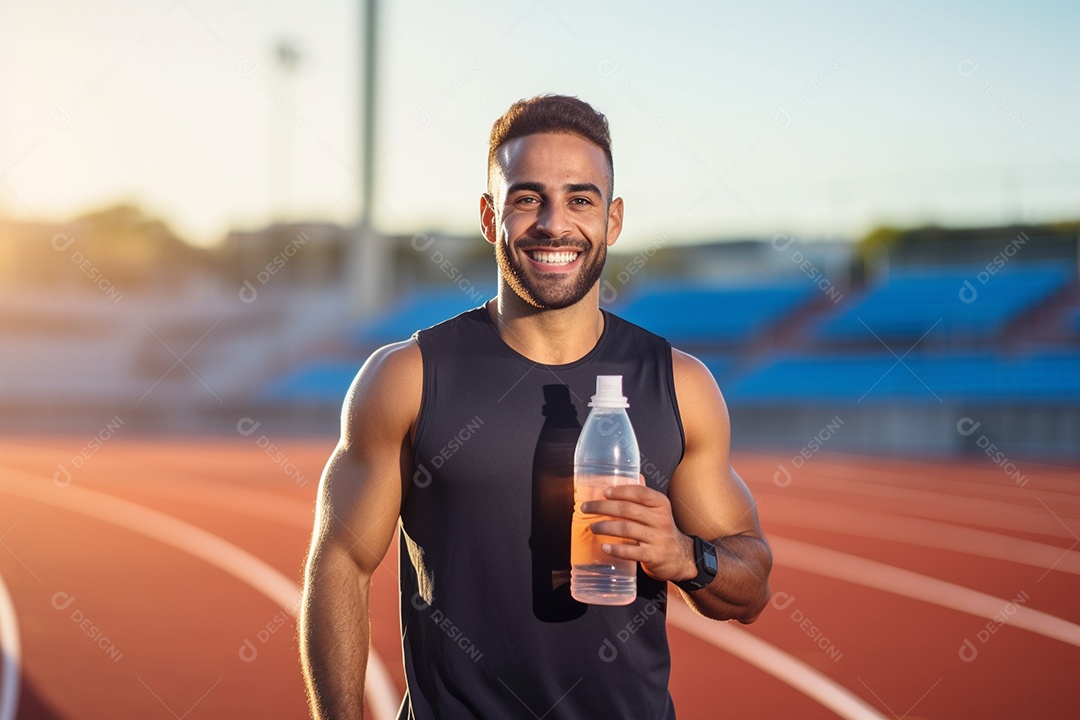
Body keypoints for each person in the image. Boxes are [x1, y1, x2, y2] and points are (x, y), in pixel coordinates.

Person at [300, 94, 772, 720]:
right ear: (490, 217)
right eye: (528, 199)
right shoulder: (408, 376)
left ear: (615, 220)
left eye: (581, 199)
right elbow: (340, 564)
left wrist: (686, 556)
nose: (555, 223)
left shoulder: (679, 384)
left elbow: (750, 589)